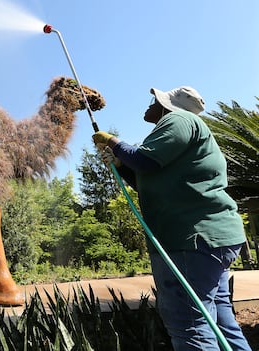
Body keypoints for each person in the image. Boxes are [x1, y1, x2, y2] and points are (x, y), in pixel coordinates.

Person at [92, 86, 251, 351]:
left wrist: (113, 142)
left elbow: (144, 161)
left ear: (169, 106)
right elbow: (149, 177)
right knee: (220, 323)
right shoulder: (183, 130)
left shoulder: (179, 119)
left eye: (155, 100)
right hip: (210, 240)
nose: (150, 103)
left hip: (191, 241)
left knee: (190, 326)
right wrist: (121, 165)